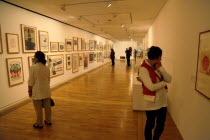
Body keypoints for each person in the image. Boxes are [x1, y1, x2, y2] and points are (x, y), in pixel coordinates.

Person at [139, 46, 172, 140]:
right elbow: (151, 87)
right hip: (151, 102)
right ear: (156, 58)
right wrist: (163, 83)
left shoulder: (158, 66)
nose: (160, 59)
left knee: (161, 125)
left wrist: (161, 68)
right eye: (160, 57)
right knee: (150, 124)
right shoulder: (143, 69)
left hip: (162, 101)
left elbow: (169, 79)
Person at [28, 51, 52, 129]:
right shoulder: (46, 67)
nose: (33, 57)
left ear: (37, 58)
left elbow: (31, 81)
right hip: (46, 90)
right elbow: (48, 79)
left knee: (38, 108)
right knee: (47, 107)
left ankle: (39, 123)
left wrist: (29, 91)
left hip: (37, 91)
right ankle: (48, 121)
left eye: (34, 56)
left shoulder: (33, 67)